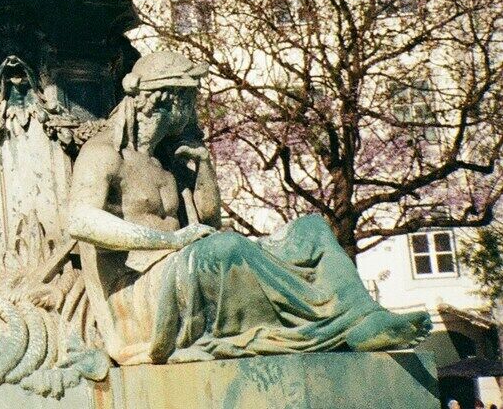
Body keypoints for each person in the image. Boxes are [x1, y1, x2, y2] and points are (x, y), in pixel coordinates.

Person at [67, 52, 432, 365]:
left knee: (311, 229)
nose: (195, 111)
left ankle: (362, 317)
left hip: (186, 267)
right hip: (141, 292)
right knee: (226, 249)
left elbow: (210, 220)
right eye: (190, 101)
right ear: (166, 99)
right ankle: (336, 323)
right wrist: (172, 242)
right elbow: (80, 220)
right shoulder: (104, 154)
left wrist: (203, 166)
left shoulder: (167, 161)